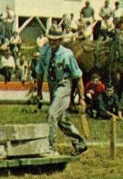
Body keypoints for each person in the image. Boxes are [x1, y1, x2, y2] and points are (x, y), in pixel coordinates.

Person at [34, 25, 88, 156]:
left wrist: (81, 98)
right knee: (62, 120)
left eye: (56, 40)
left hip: (64, 86)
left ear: (60, 40)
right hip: (53, 87)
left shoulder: (67, 54)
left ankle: (50, 148)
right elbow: (40, 73)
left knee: (52, 114)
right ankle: (80, 143)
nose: (53, 42)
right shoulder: (43, 52)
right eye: (50, 39)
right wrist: (39, 92)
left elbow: (78, 76)